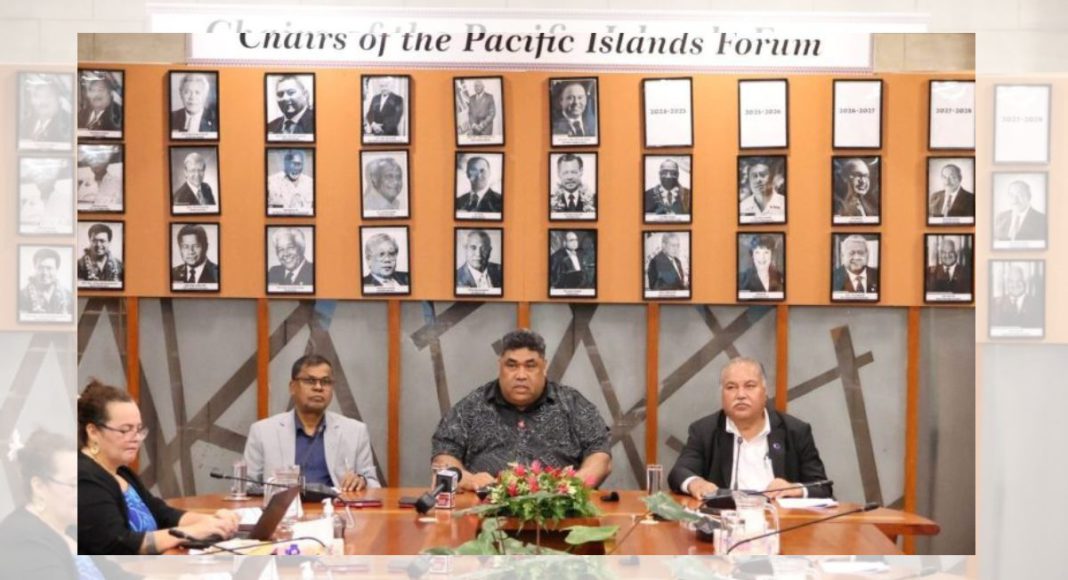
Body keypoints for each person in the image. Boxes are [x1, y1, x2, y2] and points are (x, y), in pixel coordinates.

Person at [432, 329, 612, 491]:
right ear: (499, 365)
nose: (520, 375)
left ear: (545, 367)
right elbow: (443, 456)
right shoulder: (471, 406)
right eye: (512, 365)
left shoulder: (573, 404)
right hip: (484, 512)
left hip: (559, 514)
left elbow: (601, 457)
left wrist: (574, 484)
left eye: (530, 366)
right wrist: (470, 481)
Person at [78, 380, 239, 554]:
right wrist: (190, 532)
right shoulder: (84, 479)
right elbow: (117, 544)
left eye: (138, 429)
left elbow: (163, 514)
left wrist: (212, 522)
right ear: (93, 431)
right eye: (125, 430)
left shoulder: (122, 473)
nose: (136, 438)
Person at [668, 358, 832, 499]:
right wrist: (695, 483)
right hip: (723, 522)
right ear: (722, 395)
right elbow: (679, 472)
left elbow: (823, 487)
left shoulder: (795, 431)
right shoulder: (704, 431)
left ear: (765, 392)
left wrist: (794, 488)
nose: (740, 395)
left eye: (750, 386)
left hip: (780, 523)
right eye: (731, 387)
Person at [0, 430, 139, 579]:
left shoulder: (71, 530)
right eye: (73, 484)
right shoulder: (21, 540)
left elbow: (115, 574)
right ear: (39, 486)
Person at [245, 355, 380, 491]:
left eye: (325, 381)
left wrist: (361, 481)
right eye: (310, 381)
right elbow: (247, 485)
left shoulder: (355, 431)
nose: (318, 387)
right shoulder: (262, 431)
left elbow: (373, 484)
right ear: (292, 387)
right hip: (286, 510)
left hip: (338, 508)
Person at [20, 160, 72, 232]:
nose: (40, 181)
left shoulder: (66, 200)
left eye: (45, 177)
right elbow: (23, 224)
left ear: (52, 180)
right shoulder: (30, 202)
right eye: (37, 177)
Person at [19, 247, 72, 316]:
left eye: (49, 268)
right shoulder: (22, 296)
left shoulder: (68, 297)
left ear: (56, 269)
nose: (44, 273)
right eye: (40, 268)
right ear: (35, 268)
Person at [20, 76, 71, 144]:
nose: (42, 101)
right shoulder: (25, 123)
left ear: (59, 99)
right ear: (31, 100)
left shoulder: (68, 123)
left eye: (48, 96)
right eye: (37, 96)